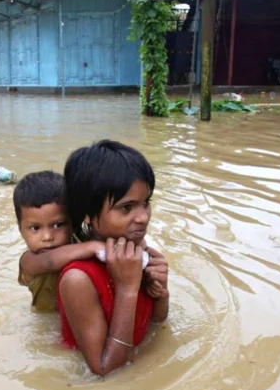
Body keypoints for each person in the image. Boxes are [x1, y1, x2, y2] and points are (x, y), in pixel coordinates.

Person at [57, 140, 169, 377]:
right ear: (88, 215)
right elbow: (105, 370)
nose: (143, 217)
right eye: (126, 208)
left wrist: (161, 291)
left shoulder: (136, 248)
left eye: (146, 203)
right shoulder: (78, 279)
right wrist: (128, 287)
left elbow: (155, 324)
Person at [14, 171, 105, 312]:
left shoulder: (80, 243)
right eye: (35, 228)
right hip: (46, 322)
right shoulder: (29, 261)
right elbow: (50, 261)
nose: (47, 237)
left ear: (73, 223)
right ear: (20, 230)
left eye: (57, 225)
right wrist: (94, 247)